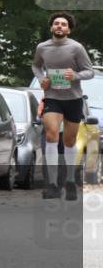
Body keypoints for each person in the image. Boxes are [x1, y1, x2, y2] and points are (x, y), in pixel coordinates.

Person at [31, 11, 94, 200]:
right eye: (56, 23)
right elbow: (36, 66)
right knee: (51, 135)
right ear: (51, 27)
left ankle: (69, 181)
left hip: (73, 98)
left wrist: (74, 76)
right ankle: (51, 184)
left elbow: (89, 71)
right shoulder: (42, 47)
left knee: (68, 141)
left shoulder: (76, 48)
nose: (59, 26)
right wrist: (42, 79)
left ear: (69, 30)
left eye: (63, 24)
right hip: (52, 97)